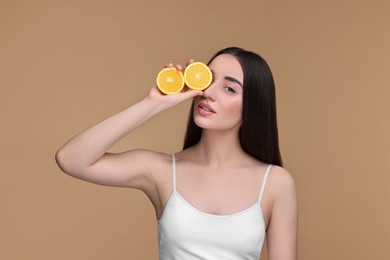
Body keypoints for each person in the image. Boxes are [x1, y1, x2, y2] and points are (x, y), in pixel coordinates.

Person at [55, 47, 298, 260]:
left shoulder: (275, 183)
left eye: (229, 89)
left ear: (251, 109)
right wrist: (153, 103)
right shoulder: (160, 171)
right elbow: (71, 159)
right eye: (208, 79)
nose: (209, 93)